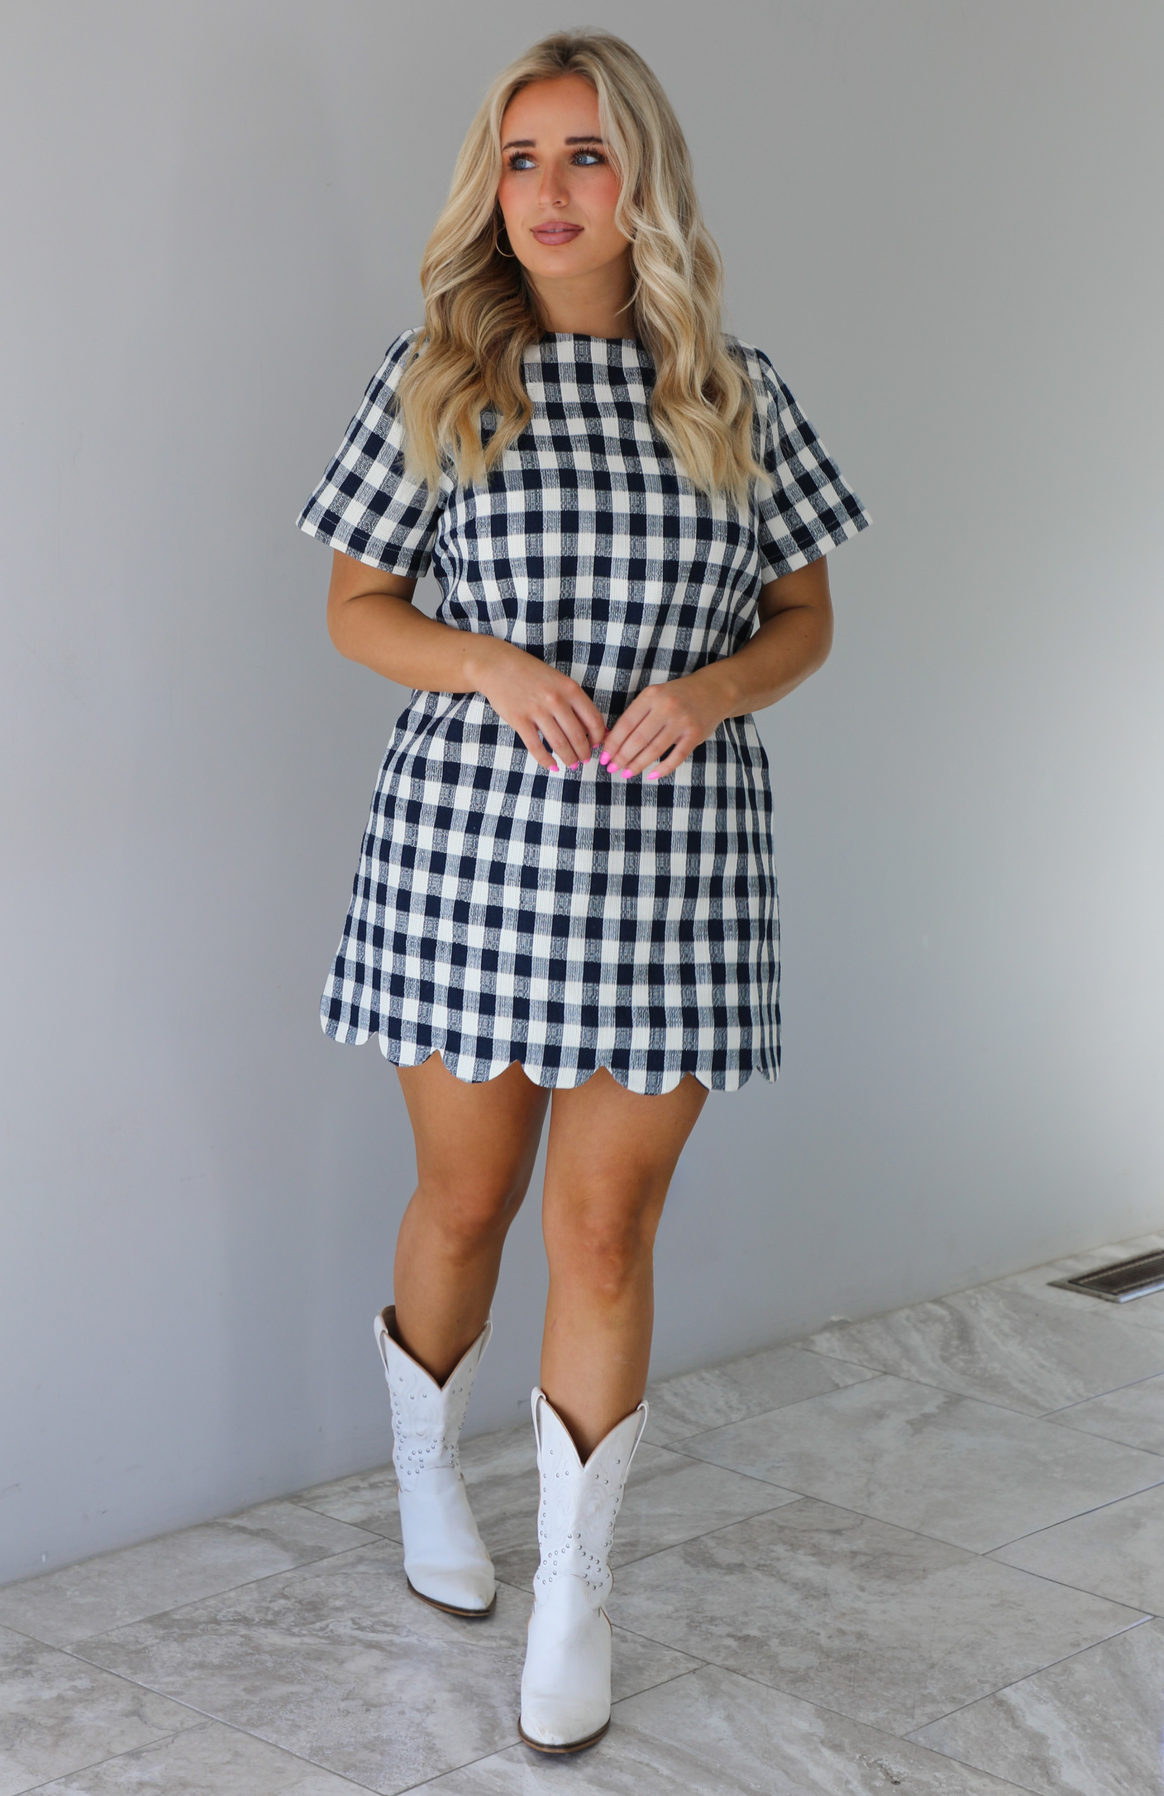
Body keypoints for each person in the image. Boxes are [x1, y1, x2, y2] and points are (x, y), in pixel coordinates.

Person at [297, 28, 869, 1755]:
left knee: (605, 1230)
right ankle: (425, 1487)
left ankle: (577, 1600)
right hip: (472, 850)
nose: (551, 191)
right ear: (496, 184)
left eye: (587, 157)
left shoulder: (735, 392)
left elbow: (806, 621)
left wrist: (712, 691)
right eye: (525, 157)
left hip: (675, 867)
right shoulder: (440, 377)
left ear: (646, 186)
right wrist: (478, 660)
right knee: (465, 1209)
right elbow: (356, 607)